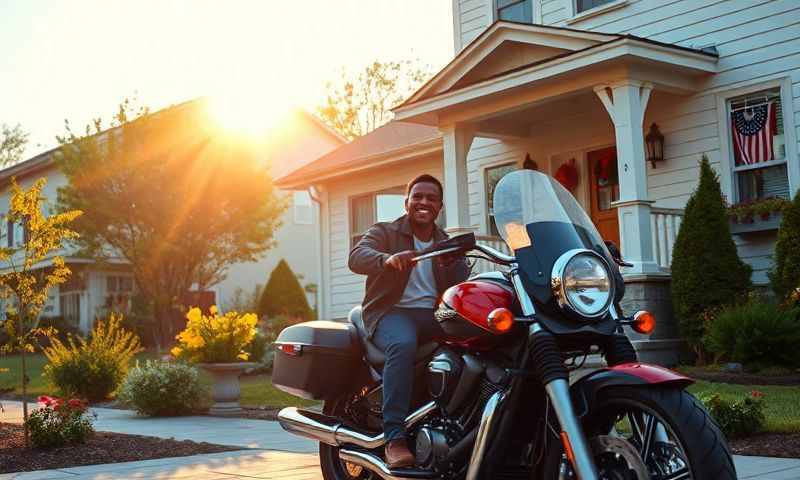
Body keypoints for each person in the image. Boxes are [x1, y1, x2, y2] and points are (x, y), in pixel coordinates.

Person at [348, 174, 469, 468]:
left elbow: (461, 280)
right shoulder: (385, 232)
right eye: (418, 197)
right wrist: (386, 261)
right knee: (402, 344)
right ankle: (395, 438)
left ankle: (462, 423)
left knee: (480, 341)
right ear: (407, 203)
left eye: (431, 198)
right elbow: (357, 256)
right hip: (391, 312)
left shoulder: (445, 242)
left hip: (433, 314)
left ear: (439, 207)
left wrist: (453, 265)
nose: (424, 202)